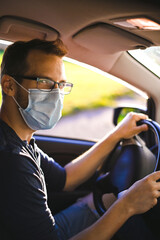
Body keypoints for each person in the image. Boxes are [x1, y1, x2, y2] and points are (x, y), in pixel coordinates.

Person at [0, 38, 160, 240]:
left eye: (61, 85)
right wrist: (127, 206)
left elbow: (65, 179)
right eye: (46, 82)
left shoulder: (19, 139)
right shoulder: (11, 159)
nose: (56, 94)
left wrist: (117, 135)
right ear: (9, 85)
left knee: (105, 201)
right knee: (124, 215)